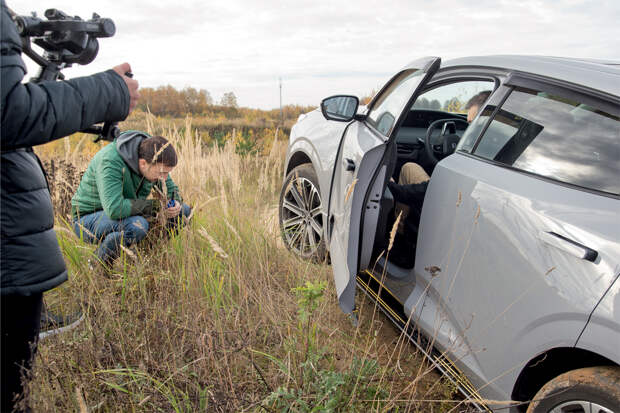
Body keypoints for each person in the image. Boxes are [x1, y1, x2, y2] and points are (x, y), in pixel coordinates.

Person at [0, 0, 140, 410]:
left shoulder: (151, 173)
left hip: (12, 245)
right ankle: (99, 269)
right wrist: (108, 91)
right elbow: (8, 112)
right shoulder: (113, 161)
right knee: (134, 227)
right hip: (77, 223)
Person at [71, 132, 191, 269]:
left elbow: (171, 189)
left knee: (183, 211)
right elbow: (115, 209)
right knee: (137, 225)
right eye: (162, 173)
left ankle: (146, 255)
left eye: (167, 173)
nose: (164, 178)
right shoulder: (110, 161)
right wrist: (158, 206)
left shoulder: (154, 157)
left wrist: (175, 203)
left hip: (127, 214)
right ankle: (96, 265)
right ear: (143, 163)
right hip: (87, 219)